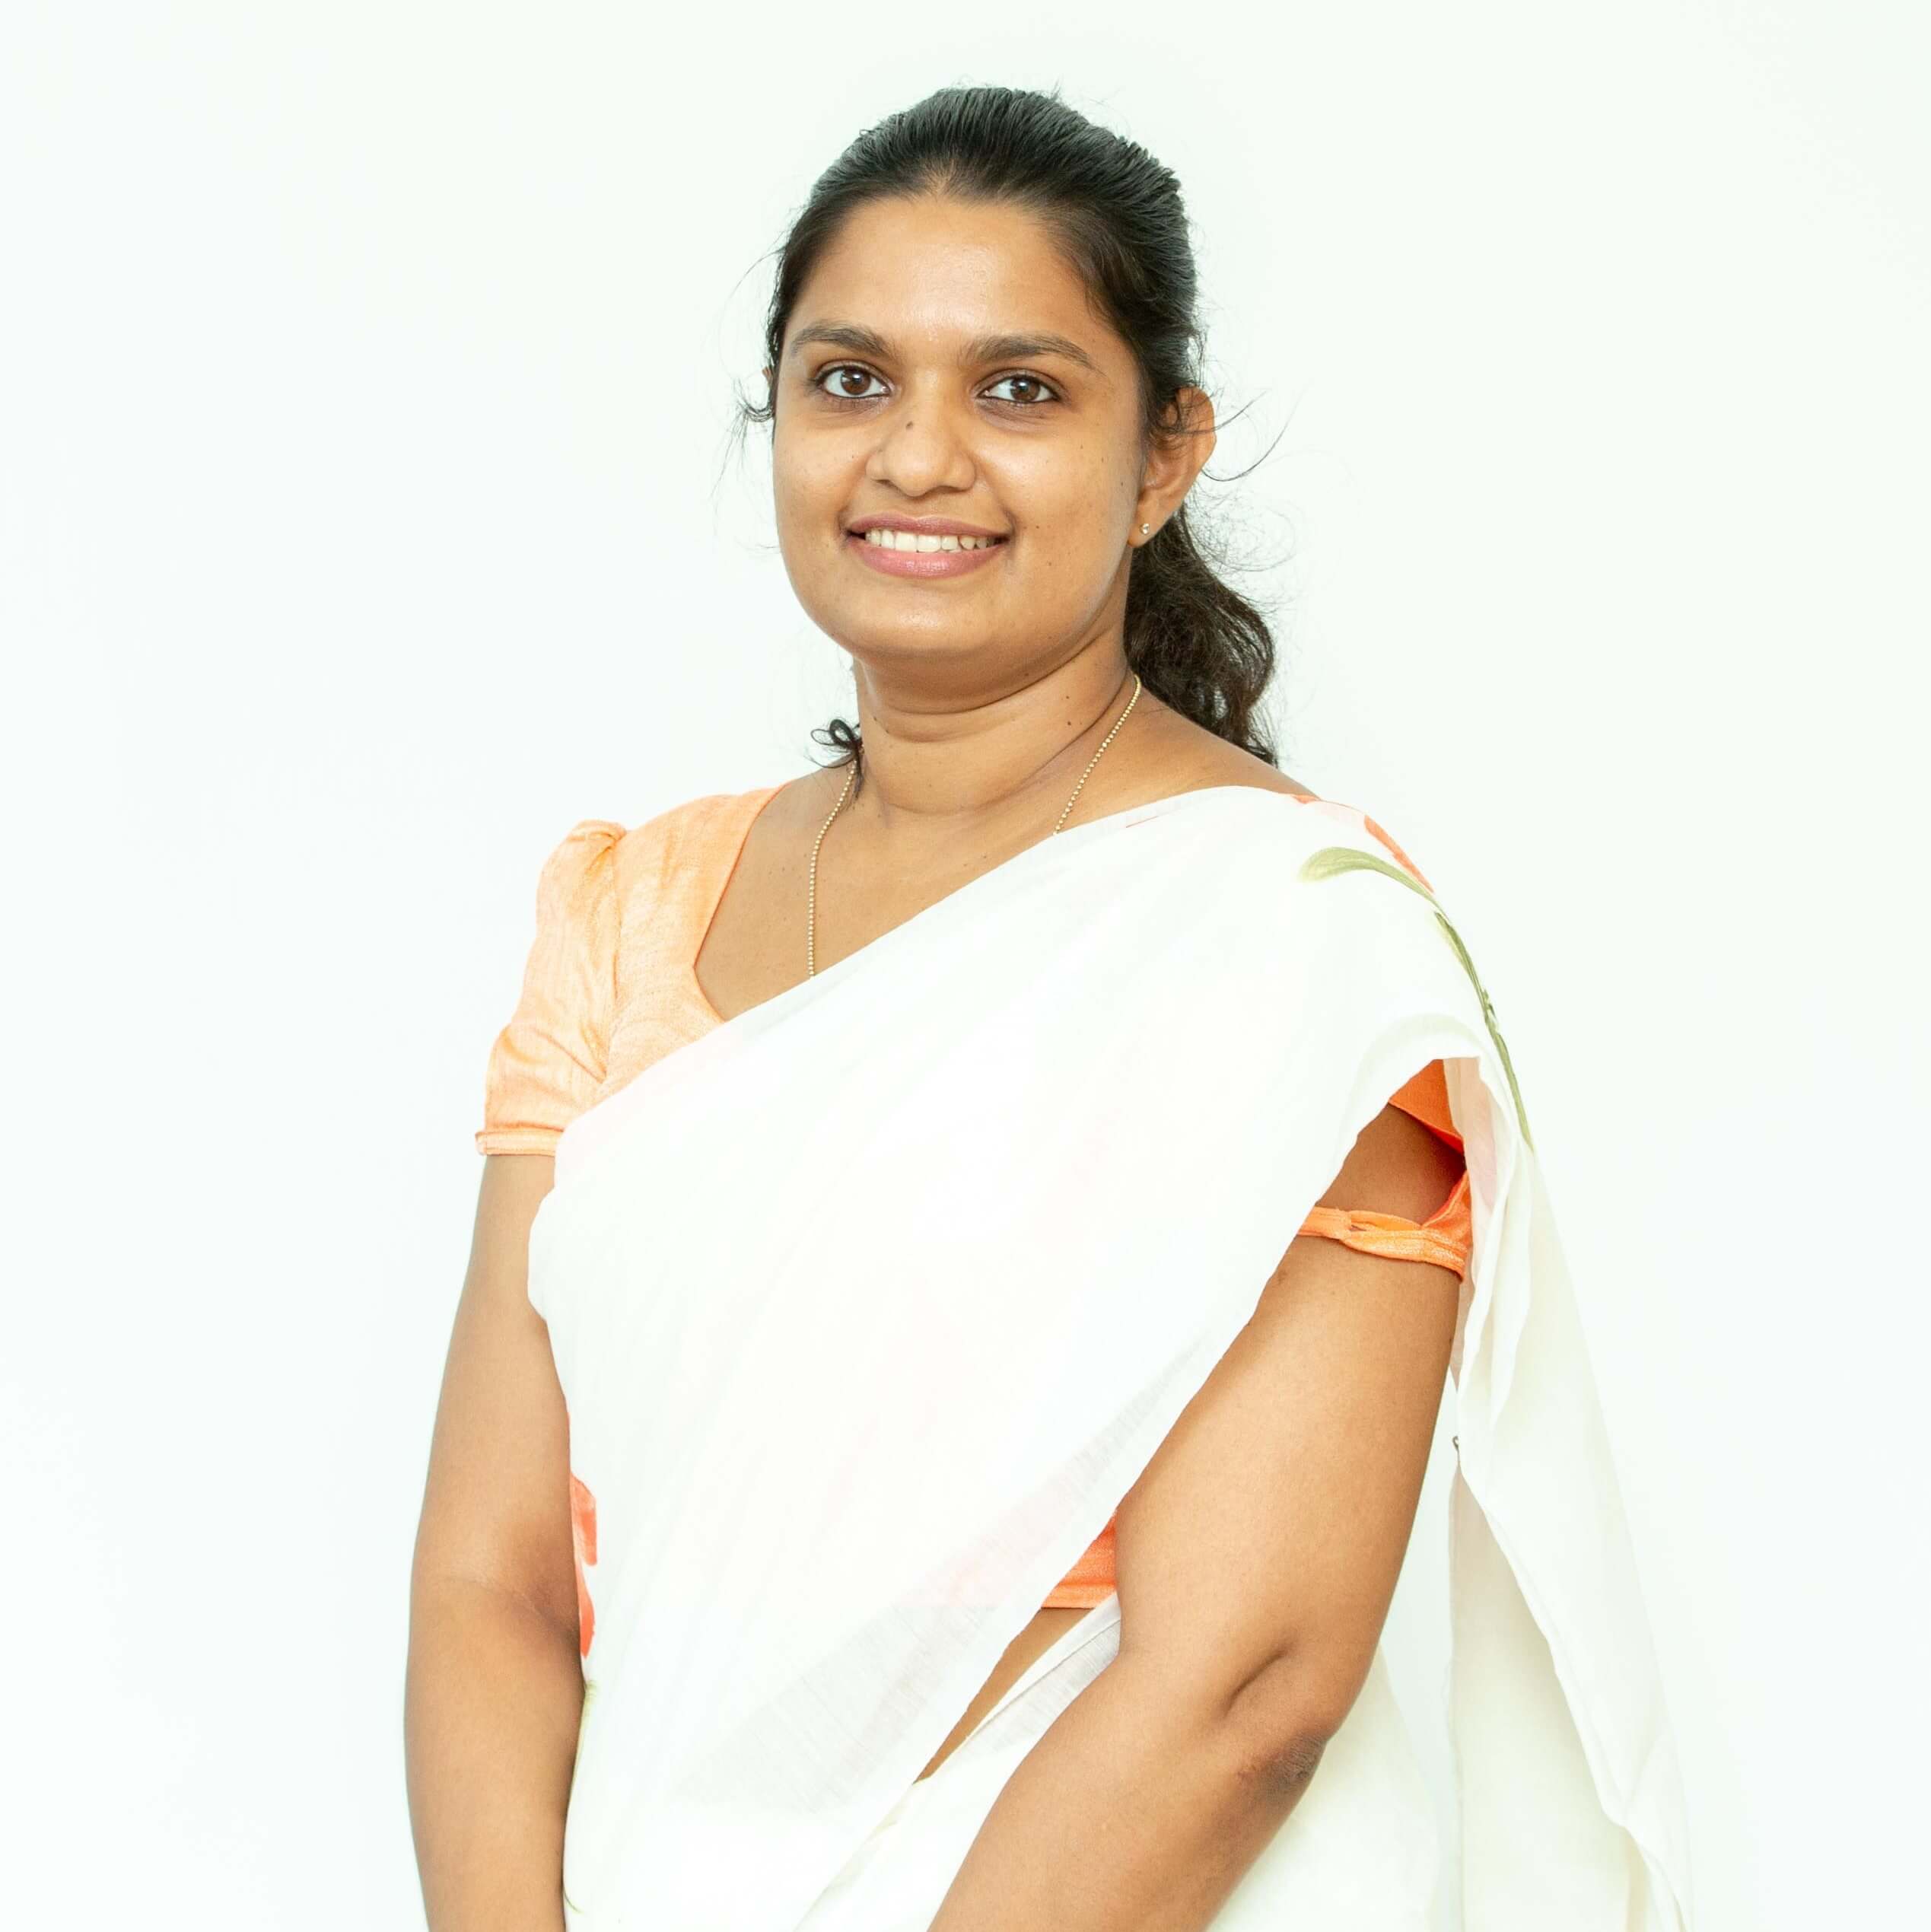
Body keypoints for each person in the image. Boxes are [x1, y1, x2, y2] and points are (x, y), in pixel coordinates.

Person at [406, 84, 1693, 1932]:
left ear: (1165, 455)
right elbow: (493, 1582)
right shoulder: (625, 917)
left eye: (1020, 388)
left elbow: (1245, 1685)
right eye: (851, 379)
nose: (918, 455)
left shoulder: (1290, 942)